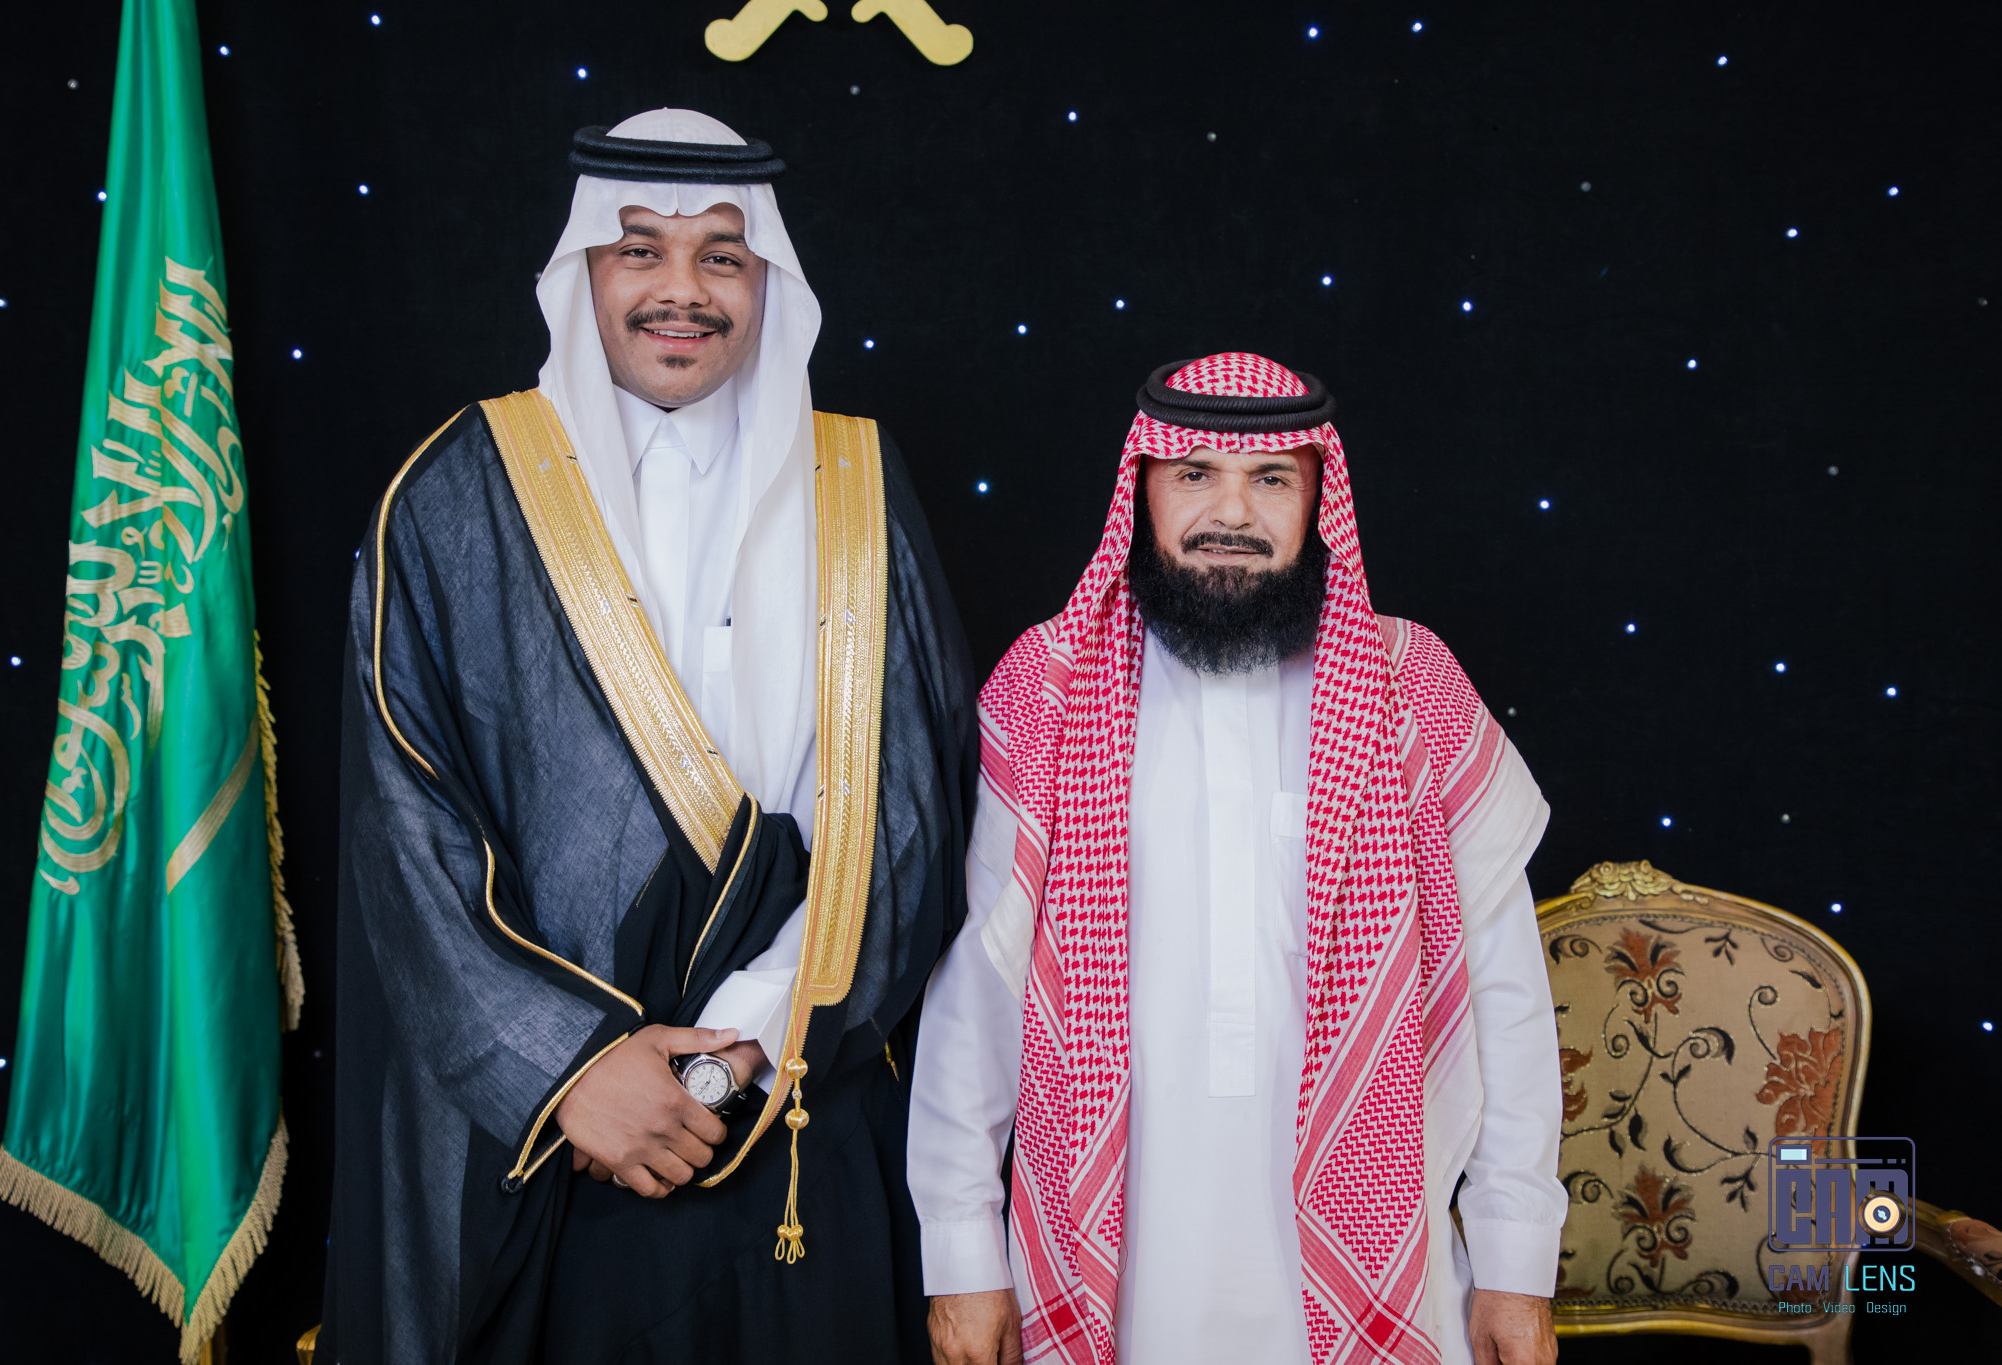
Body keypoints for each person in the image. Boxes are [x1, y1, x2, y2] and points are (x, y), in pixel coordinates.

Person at [321, 108, 973, 1364]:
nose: (683, 291)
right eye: (640, 251)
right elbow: (404, 832)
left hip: (793, 1104)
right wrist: (573, 1070)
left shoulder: (856, 483)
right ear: (583, 270)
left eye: (722, 256)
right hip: (557, 1148)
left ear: (767, 280)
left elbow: (909, 811)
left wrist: (739, 1050)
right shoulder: (458, 489)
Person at [910, 354, 1566, 1365]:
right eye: (1194, 475)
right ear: (1142, 492)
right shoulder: (1047, 689)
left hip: (1381, 1252)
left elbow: (1505, 996)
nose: (1231, 511)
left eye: (1269, 479)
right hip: (1109, 1260)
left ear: (1317, 501)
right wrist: (960, 1252)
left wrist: (1517, 1264)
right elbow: (977, 997)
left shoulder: (1410, 688)